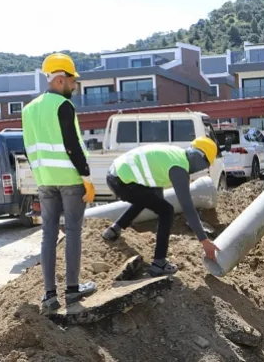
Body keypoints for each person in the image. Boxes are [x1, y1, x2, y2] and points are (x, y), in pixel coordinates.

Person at [21, 53, 97, 313]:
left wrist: (41, 177)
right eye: (72, 81)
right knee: (73, 232)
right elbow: (72, 145)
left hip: (45, 182)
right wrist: (86, 177)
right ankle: (73, 291)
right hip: (70, 180)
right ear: (61, 79)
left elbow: (29, 149)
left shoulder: (29, 109)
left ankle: (49, 295)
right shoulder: (63, 106)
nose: (74, 86)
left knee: (48, 236)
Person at [101, 139, 221, 276]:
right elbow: (188, 209)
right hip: (121, 181)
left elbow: (156, 193)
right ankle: (159, 263)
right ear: (199, 156)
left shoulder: (176, 155)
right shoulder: (179, 169)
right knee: (167, 210)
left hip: (115, 174)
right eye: (205, 164)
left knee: (150, 200)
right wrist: (205, 241)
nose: (203, 168)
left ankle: (113, 230)